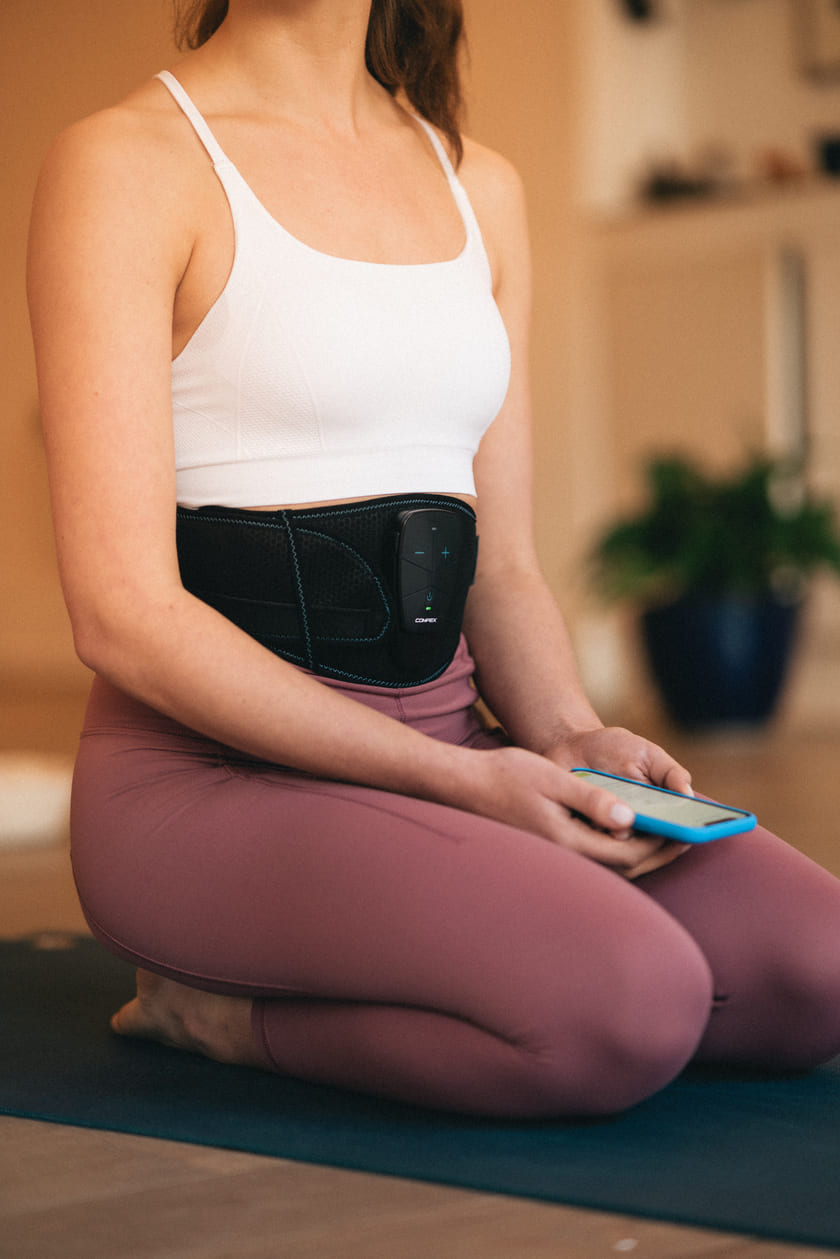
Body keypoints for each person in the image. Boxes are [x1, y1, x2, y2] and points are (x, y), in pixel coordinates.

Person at [27, 0, 840, 1119]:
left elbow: (501, 566)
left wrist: (565, 735)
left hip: (460, 751)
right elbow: (123, 614)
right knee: (631, 1005)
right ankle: (210, 1011)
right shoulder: (125, 163)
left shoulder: (478, 185)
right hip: (210, 790)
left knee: (817, 970)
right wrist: (471, 785)